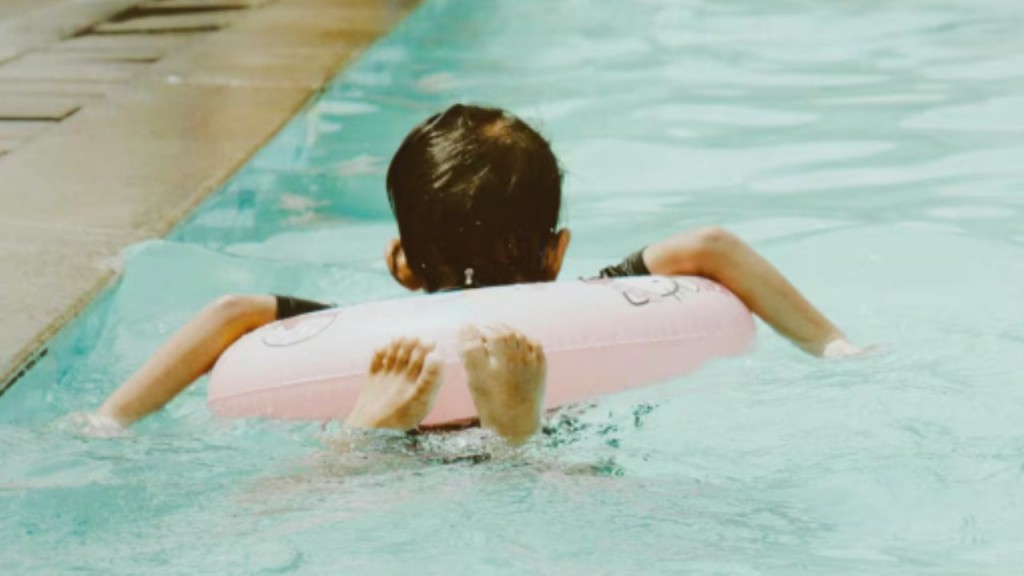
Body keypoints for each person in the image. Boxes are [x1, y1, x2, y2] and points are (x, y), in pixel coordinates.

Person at [95, 104, 860, 444]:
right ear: (555, 253)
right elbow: (713, 243)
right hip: (555, 402)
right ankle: (517, 435)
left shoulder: (368, 338)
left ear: (399, 263)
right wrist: (834, 349)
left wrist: (109, 420)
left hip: (394, 392)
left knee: (349, 479)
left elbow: (231, 311)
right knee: (574, 463)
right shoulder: (597, 302)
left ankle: (367, 435)